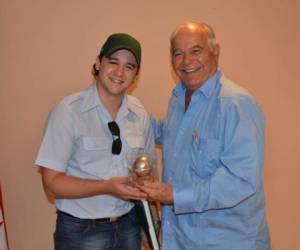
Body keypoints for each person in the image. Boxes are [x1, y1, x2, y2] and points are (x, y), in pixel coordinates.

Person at [137, 22, 270, 249]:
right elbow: (170, 134)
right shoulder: (178, 98)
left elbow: (240, 181)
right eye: (178, 54)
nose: (187, 61)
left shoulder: (236, 104)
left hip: (226, 243)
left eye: (195, 51)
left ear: (215, 52)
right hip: (180, 239)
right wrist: (126, 109)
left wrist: (175, 195)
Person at [35, 33, 156, 250]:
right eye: (113, 62)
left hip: (129, 225)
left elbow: (146, 177)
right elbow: (51, 184)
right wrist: (107, 187)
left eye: (129, 66)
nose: (120, 72)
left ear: (136, 75)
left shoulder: (140, 114)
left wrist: (149, 226)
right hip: (80, 232)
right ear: (99, 63)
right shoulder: (68, 112)